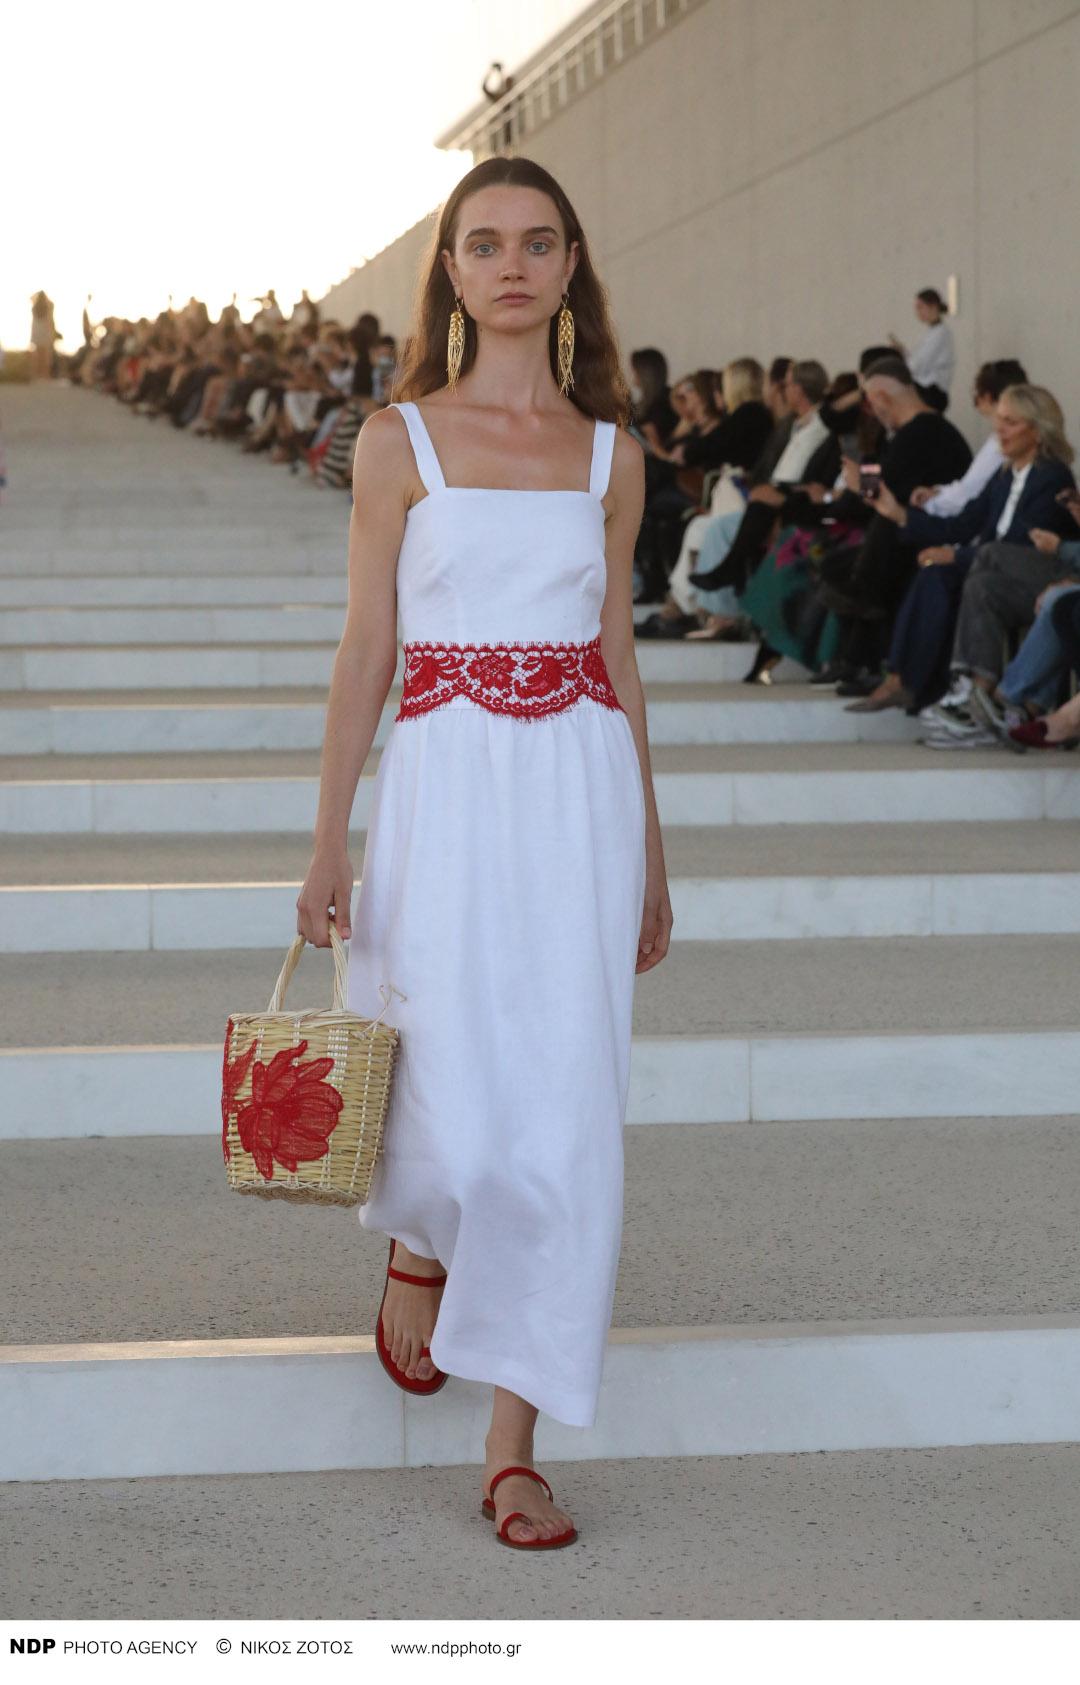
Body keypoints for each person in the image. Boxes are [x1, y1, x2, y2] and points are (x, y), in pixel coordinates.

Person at [297, 154, 671, 1551]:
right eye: (485, 243)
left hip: (576, 797)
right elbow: (368, 648)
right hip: (444, 795)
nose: (512, 264)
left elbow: (616, 652)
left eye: (537, 241)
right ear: (450, 273)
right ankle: (424, 1233)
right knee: (447, 1083)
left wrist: (652, 848)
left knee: (562, 1111)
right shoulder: (398, 441)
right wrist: (328, 837)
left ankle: (514, 1449)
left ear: (571, 267)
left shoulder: (613, 457)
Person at [889, 287, 955, 411]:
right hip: (926, 390)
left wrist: (903, 361)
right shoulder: (933, 332)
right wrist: (903, 352)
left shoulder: (940, 334)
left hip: (931, 392)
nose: (917, 312)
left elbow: (918, 366)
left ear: (933, 307)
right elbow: (918, 362)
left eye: (920, 307)